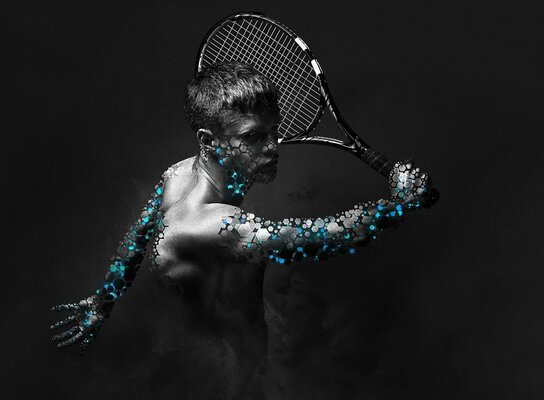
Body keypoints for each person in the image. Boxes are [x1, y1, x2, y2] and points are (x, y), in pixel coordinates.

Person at [51, 61, 438, 398]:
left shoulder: (177, 174)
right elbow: (323, 237)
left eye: (274, 131)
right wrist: (400, 203)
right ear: (208, 140)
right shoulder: (214, 226)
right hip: (221, 382)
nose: (273, 147)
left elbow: (136, 240)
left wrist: (102, 302)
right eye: (253, 137)